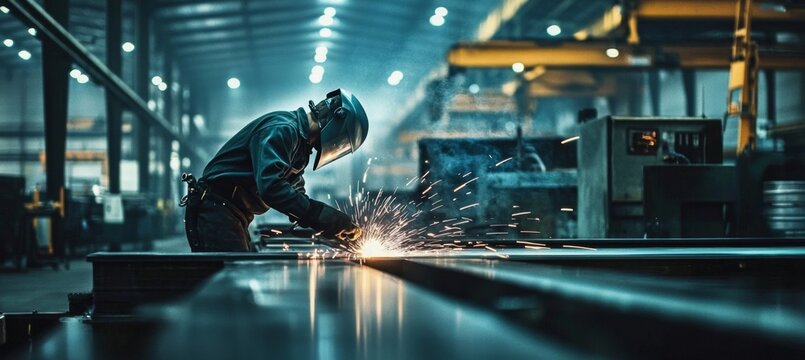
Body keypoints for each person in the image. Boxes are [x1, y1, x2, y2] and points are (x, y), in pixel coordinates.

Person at [181, 89, 367, 252]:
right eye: (341, 143)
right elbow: (271, 188)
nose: (337, 147)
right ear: (337, 123)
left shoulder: (301, 146)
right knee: (232, 280)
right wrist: (321, 215)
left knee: (243, 267)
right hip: (216, 209)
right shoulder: (282, 129)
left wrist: (330, 226)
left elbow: (295, 196)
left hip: (232, 213)